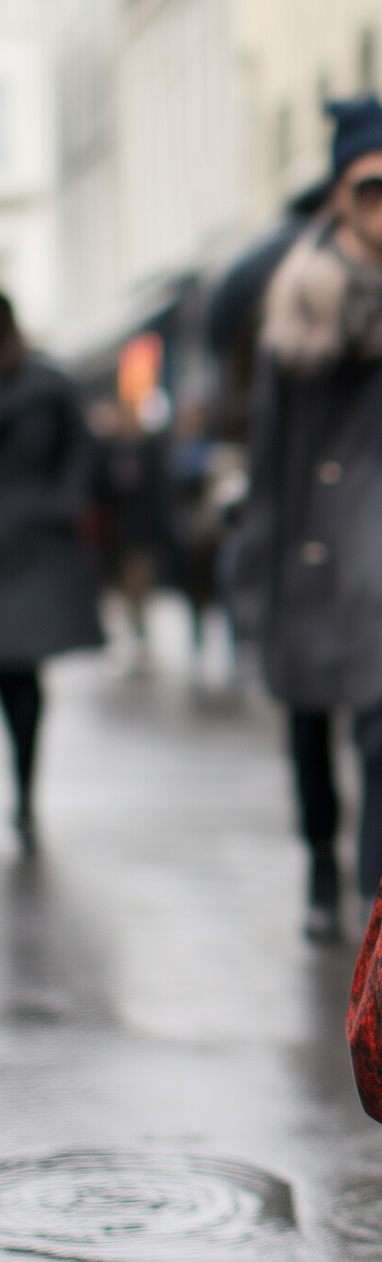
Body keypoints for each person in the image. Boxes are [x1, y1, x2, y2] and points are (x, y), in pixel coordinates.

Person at [240, 98, 382, 940]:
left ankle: (375, 897)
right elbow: (272, 459)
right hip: (309, 551)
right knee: (308, 731)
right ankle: (318, 865)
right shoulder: (300, 304)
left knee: (379, 740)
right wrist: (258, 578)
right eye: (374, 188)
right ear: (340, 196)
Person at [0, 293, 103, 850]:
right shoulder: (49, 385)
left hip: (33, 547)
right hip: (20, 543)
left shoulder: (49, 386)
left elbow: (81, 454)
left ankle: (23, 795)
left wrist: (63, 505)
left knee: (20, 676)